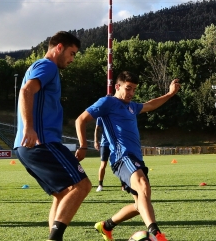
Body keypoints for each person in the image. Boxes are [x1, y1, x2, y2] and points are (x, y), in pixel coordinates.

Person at [75, 71, 180, 241]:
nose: (131, 93)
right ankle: (157, 235)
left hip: (135, 158)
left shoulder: (131, 106)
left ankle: (106, 226)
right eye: (128, 88)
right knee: (143, 185)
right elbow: (81, 119)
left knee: (141, 204)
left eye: (134, 90)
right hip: (122, 157)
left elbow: (150, 105)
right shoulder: (107, 102)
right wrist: (83, 146)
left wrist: (170, 94)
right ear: (117, 86)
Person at [13, 31, 92, 241]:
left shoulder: (43, 68)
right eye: (72, 53)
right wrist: (29, 127)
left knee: (62, 193)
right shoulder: (47, 66)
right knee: (82, 185)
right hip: (42, 143)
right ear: (59, 47)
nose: (73, 59)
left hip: (30, 146)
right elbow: (26, 92)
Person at [94, 117, 109, 192]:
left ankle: (123, 185)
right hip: (105, 144)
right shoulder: (101, 116)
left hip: (116, 144)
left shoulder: (116, 113)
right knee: (103, 164)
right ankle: (100, 184)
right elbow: (97, 128)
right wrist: (96, 141)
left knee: (119, 163)